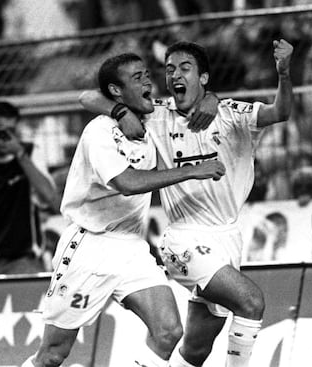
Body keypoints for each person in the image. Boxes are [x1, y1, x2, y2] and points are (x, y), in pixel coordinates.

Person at [80, 39, 293, 367]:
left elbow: (281, 111)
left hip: (227, 237)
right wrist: (119, 110)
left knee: (195, 349)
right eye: (168, 69)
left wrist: (284, 72)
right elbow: (88, 97)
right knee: (251, 302)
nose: (174, 75)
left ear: (203, 78)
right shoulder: (157, 114)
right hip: (185, 238)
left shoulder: (231, 114)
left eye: (184, 68)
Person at [22, 53, 226, 367]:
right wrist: (190, 171)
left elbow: (94, 95)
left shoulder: (155, 118)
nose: (149, 81)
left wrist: (211, 97)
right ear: (117, 91)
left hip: (131, 246)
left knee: (169, 331)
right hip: (89, 247)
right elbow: (127, 183)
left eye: (147, 74)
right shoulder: (100, 132)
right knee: (52, 355)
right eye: (137, 77)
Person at [0, 101, 58, 275]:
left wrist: (20, 156)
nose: (4, 138)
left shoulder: (30, 153)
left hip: (23, 256)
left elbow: (51, 199)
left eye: (10, 131)